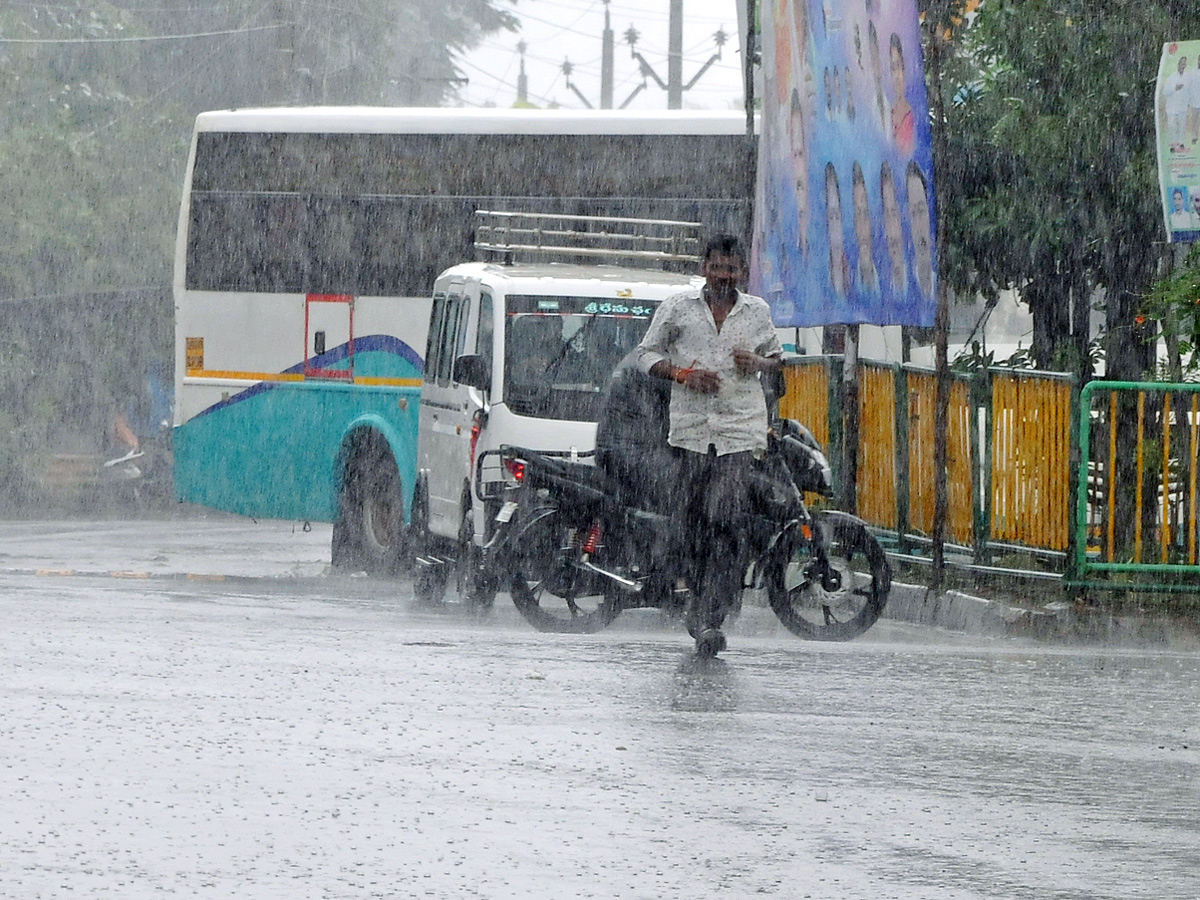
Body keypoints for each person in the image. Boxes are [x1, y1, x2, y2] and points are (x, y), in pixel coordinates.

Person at [636, 234, 784, 657]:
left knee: (725, 517)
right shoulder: (678, 308)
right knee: (692, 523)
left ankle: (711, 617)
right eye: (716, 267)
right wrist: (683, 375)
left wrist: (757, 363)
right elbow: (646, 355)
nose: (723, 276)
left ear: (742, 272)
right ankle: (695, 603)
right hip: (691, 432)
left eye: (731, 269)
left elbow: (777, 361)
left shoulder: (757, 312)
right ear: (704, 268)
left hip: (739, 431)